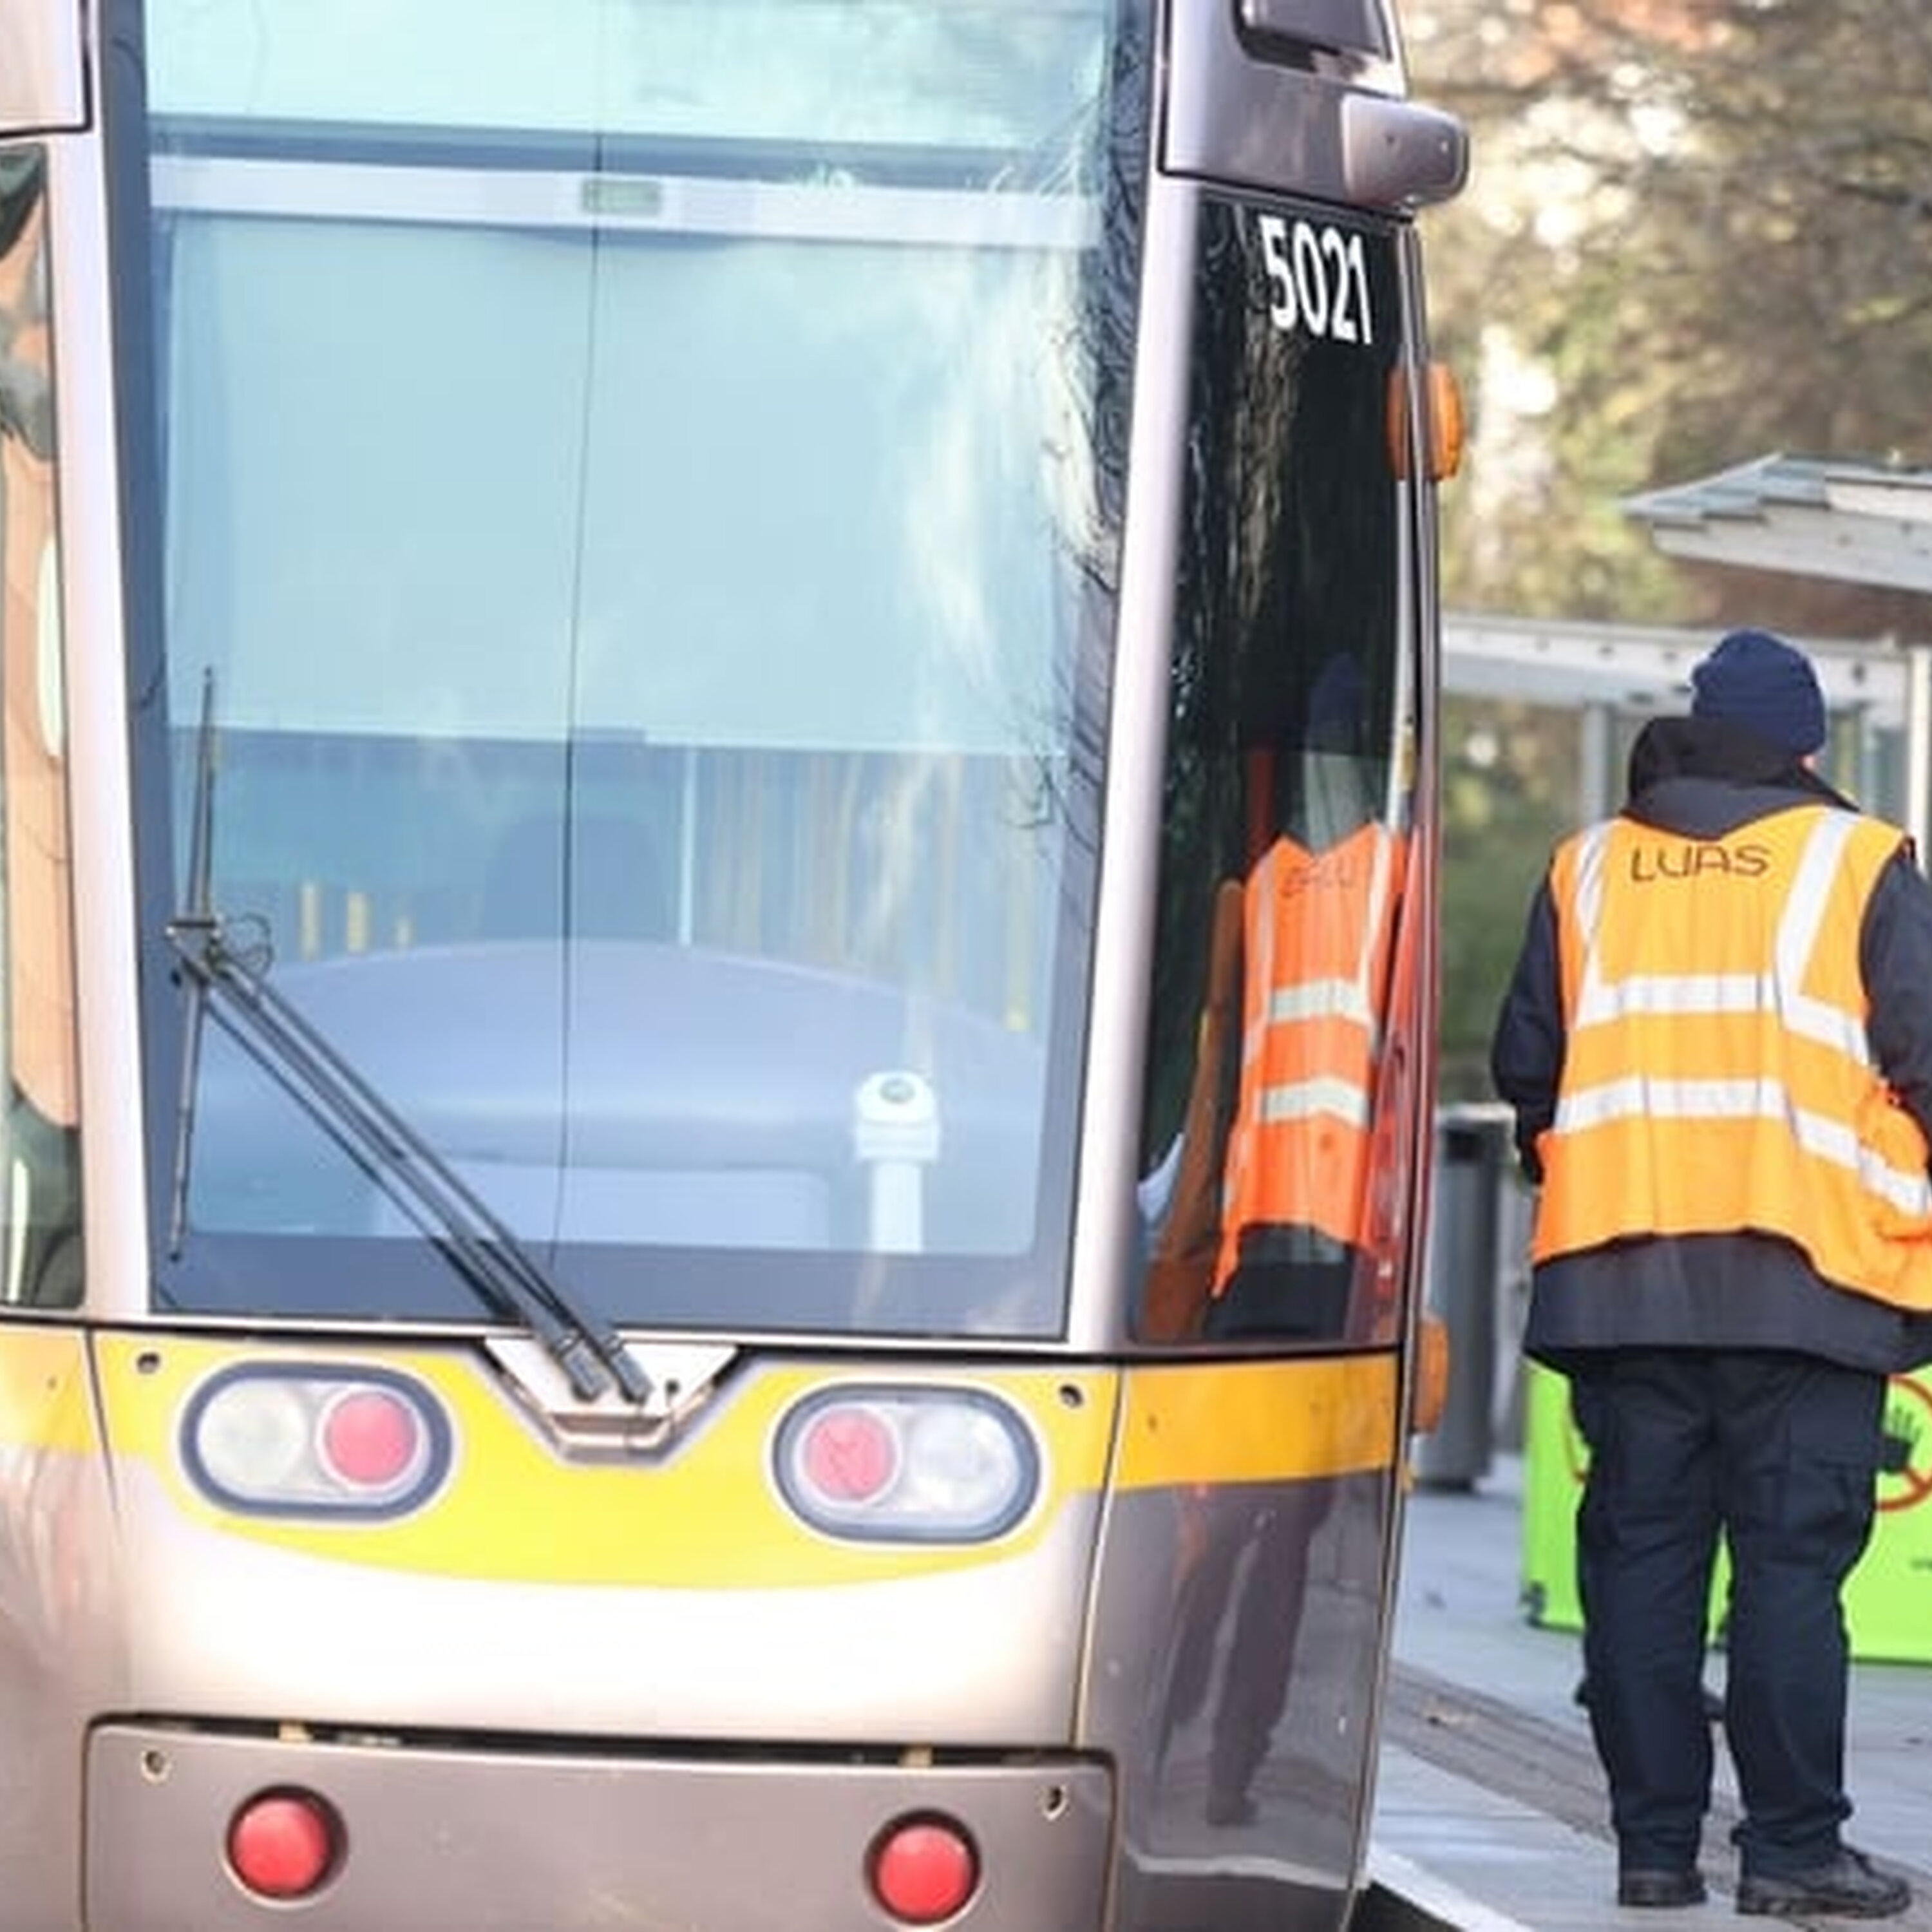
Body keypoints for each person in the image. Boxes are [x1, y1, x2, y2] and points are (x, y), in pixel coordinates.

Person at [1489, 628, 1932, 1918]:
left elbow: (1530, 1071)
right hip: (1810, 1276)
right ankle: (1790, 1854)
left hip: (1620, 1280)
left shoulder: (1585, 869)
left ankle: (1654, 1851)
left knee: (1641, 1563)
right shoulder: (1857, 861)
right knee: (1790, 1572)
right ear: (1808, 750)